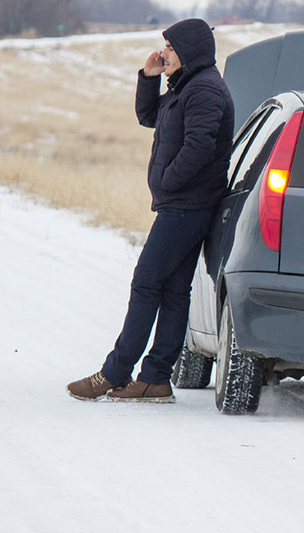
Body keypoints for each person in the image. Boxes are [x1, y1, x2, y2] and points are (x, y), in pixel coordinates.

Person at [67, 18, 235, 403]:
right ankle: (156, 378)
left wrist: (167, 182)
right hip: (185, 205)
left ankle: (114, 373)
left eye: (171, 49)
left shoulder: (205, 90)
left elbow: (199, 147)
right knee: (174, 291)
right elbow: (149, 116)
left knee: (145, 282)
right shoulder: (188, 86)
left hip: (187, 206)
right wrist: (148, 76)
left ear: (189, 51)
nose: (164, 54)